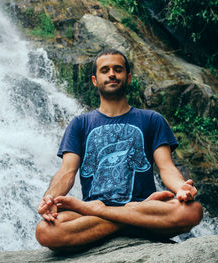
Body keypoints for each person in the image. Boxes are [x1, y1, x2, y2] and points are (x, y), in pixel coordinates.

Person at [35, 49, 203, 250]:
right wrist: (49, 198)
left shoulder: (152, 119)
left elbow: (166, 167)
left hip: (129, 210)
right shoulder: (80, 124)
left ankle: (115, 213)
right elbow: (66, 172)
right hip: (133, 215)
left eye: (117, 69)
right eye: (104, 70)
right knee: (45, 230)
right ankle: (128, 217)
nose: (112, 74)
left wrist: (180, 188)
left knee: (192, 211)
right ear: (95, 80)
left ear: (128, 77)